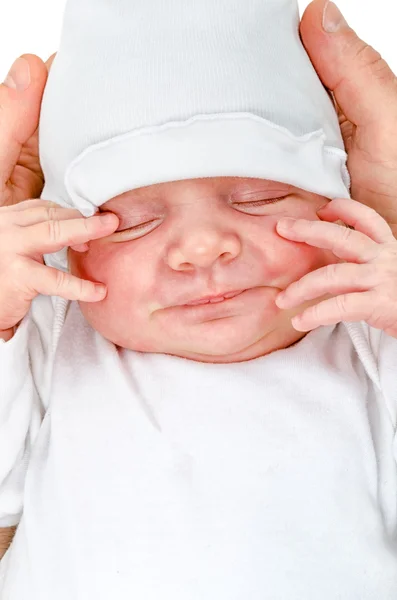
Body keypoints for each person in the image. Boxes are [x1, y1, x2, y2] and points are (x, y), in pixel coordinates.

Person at [0, 0, 396, 597]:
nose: (204, 247)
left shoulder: (367, 336)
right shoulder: (55, 337)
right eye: (129, 220)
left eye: (260, 196)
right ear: (62, 245)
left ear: (335, 200)